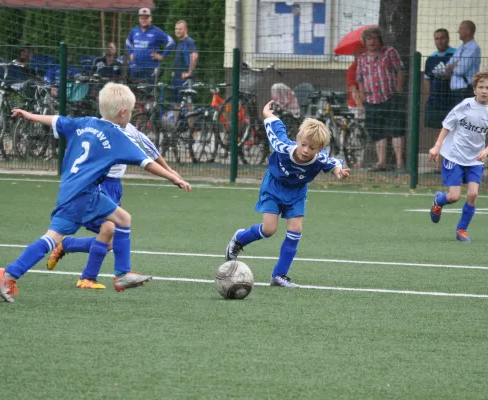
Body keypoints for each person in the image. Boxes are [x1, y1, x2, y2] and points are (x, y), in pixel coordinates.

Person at [0, 82, 192, 303]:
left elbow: (56, 120)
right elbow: (146, 162)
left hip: (72, 190)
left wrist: (29, 115)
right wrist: (173, 177)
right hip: (83, 195)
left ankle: (9, 274)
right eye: (131, 112)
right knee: (99, 227)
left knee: (112, 222)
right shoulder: (117, 136)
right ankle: (121, 274)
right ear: (123, 113)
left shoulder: (84, 123)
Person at [224, 100, 350, 288]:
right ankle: (239, 239)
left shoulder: (320, 158)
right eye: (304, 144)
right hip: (273, 187)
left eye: (312, 148)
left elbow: (334, 162)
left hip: (297, 193)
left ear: (320, 149)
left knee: (296, 229)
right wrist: (267, 113)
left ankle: (279, 275)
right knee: (269, 229)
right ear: (298, 139)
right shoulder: (283, 146)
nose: (306, 150)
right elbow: (276, 126)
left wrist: (338, 171)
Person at [45, 123, 181, 289]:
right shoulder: (100, 127)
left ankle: (67, 245)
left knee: (111, 242)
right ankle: (89, 278)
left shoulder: (130, 129)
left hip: (114, 186)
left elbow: (149, 150)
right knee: (108, 229)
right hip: (97, 183)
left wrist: (169, 170)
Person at [428, 70, 488, 242]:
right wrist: (437, 147)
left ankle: (461, 230)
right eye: (481, 87)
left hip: (475, 159)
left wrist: (486, 151)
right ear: (474, 89)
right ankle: (438, 201)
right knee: (454, 196)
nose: (484, 91)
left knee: (473, 194)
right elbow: (447, 125)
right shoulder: (465, 106)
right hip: (454, 156)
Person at [354, 26, 406, 172]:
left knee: (397, 130)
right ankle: (381, 162)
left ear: (379, 40)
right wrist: (363, 97)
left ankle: (399, 164)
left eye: (375, 38)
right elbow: (359, 79)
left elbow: (400, 70)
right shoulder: (362, 59)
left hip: (391, 97)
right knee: (378, 132)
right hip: (372, 100)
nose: (372, 41)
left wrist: (398, 89)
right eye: (369, 39)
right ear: (365, 42)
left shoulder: (390, 52)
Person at [126, 8, 175, 83]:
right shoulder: (134, 31)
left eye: (146, 18)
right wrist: (131, 53)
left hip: (151, 69)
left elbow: (171, 42)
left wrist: (162, 56)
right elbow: (128, 41)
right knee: (133, 92)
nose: (143, 20)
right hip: (135, 68)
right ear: (139, 19)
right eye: (141, 18)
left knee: (149, 93)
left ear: (151, 18)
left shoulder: (156, 31)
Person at [424, 28, 457, 130]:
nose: (439, 41)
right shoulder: (431, 58)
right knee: (438, 132)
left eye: (442, 38)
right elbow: (427, 80)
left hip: (452, 99)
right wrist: (427, 99)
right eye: (436, 39)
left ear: (447, 39)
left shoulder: (455, 54)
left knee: (453, 131)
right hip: (436, 101)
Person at [445, 20, 481, 104]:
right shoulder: (460, 48)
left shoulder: (473, 48)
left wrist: (451, 67)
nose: (458, 31)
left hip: (465, 90)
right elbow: (446, 67)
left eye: (460, 29)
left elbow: (460, 70)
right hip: (456, 91)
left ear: (467, 31)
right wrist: (454, 64)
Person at [171, 20, 198, 104]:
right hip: (177, 78)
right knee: (176, 104)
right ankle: (176, 118)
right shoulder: (180, 42)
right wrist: (175, 72)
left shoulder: (188, 41)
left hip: (185, 79)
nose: (177, 31)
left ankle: (191, 118)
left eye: (180, 29)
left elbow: (194, 56)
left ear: (186, 30)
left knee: (188, 103)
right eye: (176, 29)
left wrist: (189, 73)